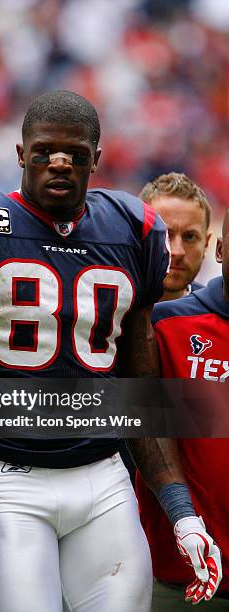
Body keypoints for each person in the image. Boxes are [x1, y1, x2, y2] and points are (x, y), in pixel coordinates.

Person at [0, 90, 219, 612]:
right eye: (44, 150)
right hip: (8, 478)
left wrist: (182, 513)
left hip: (103, 475)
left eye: (74, 153)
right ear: (19, 152)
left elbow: (140, 394)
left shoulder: (131, 231)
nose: (59, 163)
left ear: (96, 158)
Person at [136, 208, 229, 610]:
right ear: (222, 250)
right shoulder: (166, 324)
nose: (174, 251)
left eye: (188, 236)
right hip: (180, 576)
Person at [140, 172, 212, 301]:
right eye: (165, 234)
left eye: (190, 237)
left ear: (206, 244)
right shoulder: (108, 309)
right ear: (138, 237)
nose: (177, 252)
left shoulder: (219, 316)